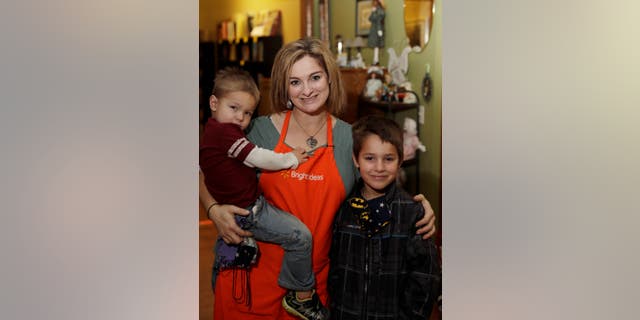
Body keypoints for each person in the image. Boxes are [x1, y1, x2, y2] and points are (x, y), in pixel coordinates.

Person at [199, 38, 437, 320]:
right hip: (249, 279)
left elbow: (377, 188)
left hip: (308, 294)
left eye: (315, 77)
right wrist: (214, 209)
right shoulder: (257, 130)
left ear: (329, 79)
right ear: (284, 87)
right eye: (295, 81)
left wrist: (416, 210)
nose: (307, 89)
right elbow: (205, 169)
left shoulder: (350, 138)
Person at [199, 67, 329, 319]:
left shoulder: (219, 130)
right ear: (214, 103)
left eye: (247, 112)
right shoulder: (232, 132)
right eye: (234, 108)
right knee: (300, 236)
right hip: (251, 214)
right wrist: (291, 159)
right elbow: (256, 157)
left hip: (256, 216)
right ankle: (301, 296)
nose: (240, 118)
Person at [329, 115, 441, 319]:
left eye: (388, 159)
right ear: (356, 159)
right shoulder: (342, 208)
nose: (379, 167)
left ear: (400, 161)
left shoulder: (413, 213)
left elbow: (425, 275)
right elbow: (333, 266)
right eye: (369, 158)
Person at [368, 0, 385, 65]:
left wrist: (379, 29)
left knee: (376, 45)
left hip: (377, 30)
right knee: (375, 46)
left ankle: (376, 60)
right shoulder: (375, 10)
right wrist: (373, 12)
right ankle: (375, 60)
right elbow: (370, 18)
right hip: (374, 30)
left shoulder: (380, 10)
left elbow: (378, 20)